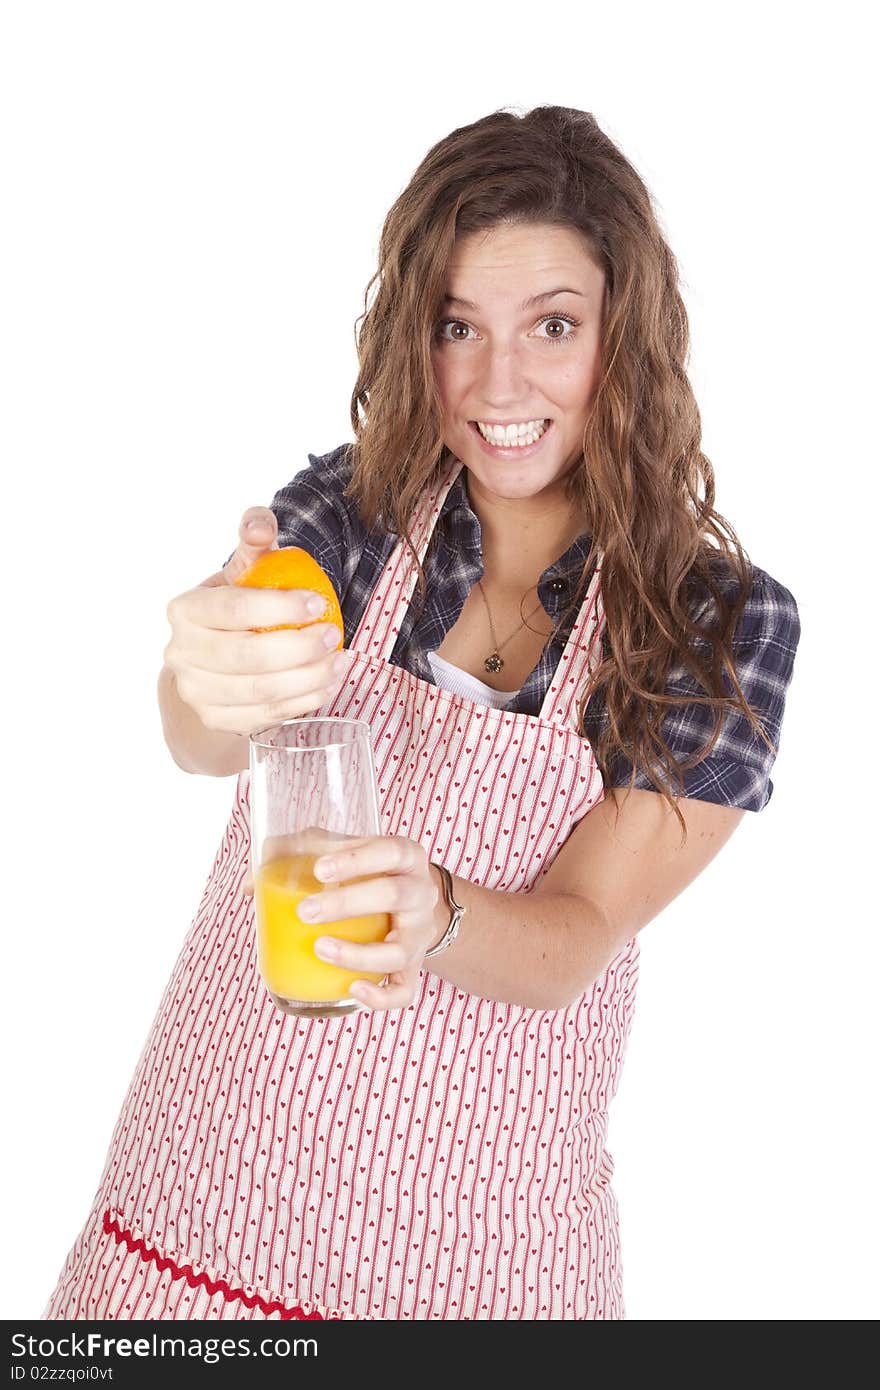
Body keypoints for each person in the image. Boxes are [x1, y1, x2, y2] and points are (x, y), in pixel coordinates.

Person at [44, 104, 800, 1321]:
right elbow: (207, 735)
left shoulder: (717, 625)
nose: (501, 384)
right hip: (194, 1218)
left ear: (627, 335)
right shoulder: (351, 514)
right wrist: (201, 677)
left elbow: (577, 936)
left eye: (552, 325)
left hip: (480, 1277)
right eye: (459, 327)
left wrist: (434, 909)